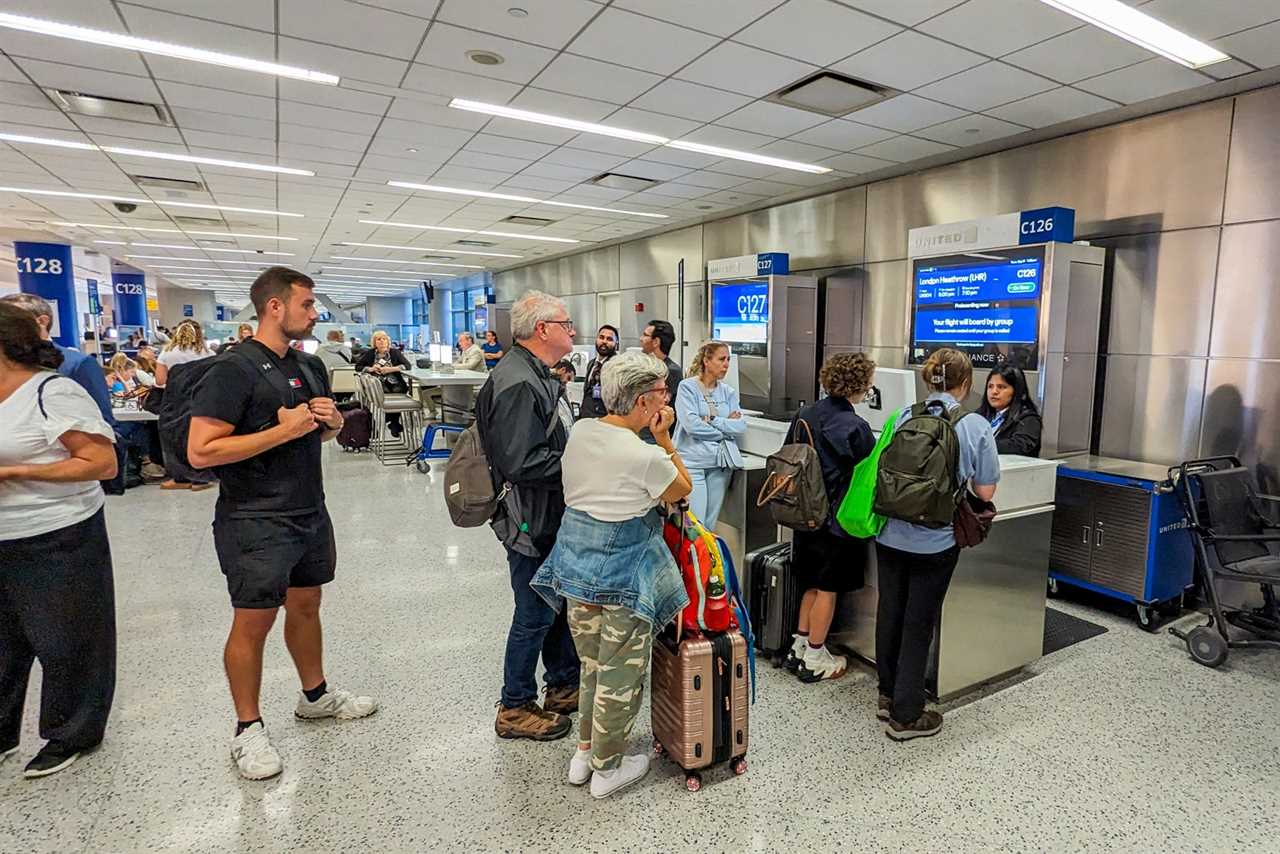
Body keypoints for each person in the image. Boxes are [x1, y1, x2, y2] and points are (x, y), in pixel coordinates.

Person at [187, 266, 375, 780]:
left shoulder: (307, 366)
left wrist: (329, 426)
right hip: (255, 516)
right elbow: (201, 451)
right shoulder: (233, 369)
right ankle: (247, 728)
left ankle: (314, 695)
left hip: (308, 509)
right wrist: (282, 429)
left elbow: (315, 435)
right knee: (253, 620)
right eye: (307, 305)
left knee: (308, 603)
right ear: (275, 307)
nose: (314, 314)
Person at [531, 352, 692, 798]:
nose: (667, 396)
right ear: (644, 401)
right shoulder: (643, 455)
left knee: (593, 663)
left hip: (576, 568)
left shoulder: (583, 430)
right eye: (662, 391)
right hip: (622, 576)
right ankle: (608, 769)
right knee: (621, 672)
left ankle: (585, 752)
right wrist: (665, 441)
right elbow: (681, 490)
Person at [0, 302, 118, 778]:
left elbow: (100, 463)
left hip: (56, 531)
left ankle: (72, 730)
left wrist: (16, 472)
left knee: (68, 637)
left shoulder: (54, 391)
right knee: (5, 641)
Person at [875, 348, 999, 741]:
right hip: (935, 539)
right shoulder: (974, 424)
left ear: (928, 379)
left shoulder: (903, 415)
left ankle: (887, 694)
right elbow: (985, 487)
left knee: (890, 610)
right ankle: (907, 715)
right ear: (966, 383)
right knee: (918, 621)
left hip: (890, 532)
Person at [475, 290, 580, 741]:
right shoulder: (519, 382)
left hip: (548, 515)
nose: (573, 331)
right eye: (567, 323)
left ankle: (562, 685)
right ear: (543, 329)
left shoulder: (534, 373)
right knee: (535, 611)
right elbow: (524, 461)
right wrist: (584, 464)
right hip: (530, 519)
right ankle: (514, 706)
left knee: (556, 605)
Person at [781, 353, 877, 682]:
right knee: (828, 589)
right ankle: (815, 657)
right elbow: (868, 471)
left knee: (811, 582)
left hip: (805, 513)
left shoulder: (805, 413)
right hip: (835, 522)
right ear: (861, 385)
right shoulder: (855, 426)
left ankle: (800, 645)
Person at [673, 341, 745, 529]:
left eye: (728, 360)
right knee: (694, 525)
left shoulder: (728, 392)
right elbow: (692, 426)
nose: (726, 364)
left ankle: (707, 559)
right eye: (722, 359)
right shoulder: (687, 387)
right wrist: (725, 427)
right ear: (706, 360)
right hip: (692, 464)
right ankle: (690, 559)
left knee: (709, 527)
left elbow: (740, 427)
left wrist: (712, 420)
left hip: (719, 465)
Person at [156, 321, 216, 491]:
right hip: (202, 399)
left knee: (174, 439)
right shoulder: (208, 353)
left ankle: (180, 478)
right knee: (199, 437)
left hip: (174, 402)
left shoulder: (167, 352)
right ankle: (201, 478)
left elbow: (160, 380)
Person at [354, 331, 411, 437]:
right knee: (387, 392)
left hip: (395, 382)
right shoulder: (370, 353)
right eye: (379, 339)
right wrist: (371, 368)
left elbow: (407, 366)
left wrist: (391, 369)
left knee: (397, 390)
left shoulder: (395, 353)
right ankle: (393, 422)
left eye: (384, 339)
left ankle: (391, 419)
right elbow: (358, 367)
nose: (382, 341)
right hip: (377, 384)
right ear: (374, 342)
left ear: (388, 341)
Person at [978, 364, 1042, 457]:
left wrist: (981, 444)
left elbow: (1019, 446)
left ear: (1016, 391)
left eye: (1001, 387)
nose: (994, 391)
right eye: (990, 386)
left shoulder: (1028, 419)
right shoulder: (980, 415)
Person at [638, 319, 682, 444]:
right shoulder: (644, 366)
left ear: (656, 342)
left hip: (654, 437)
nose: (641, 339)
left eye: (646, 335)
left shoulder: (671, 371)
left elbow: (658, 406)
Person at [576, 324, 619, 420]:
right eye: (601, 337)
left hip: (604, 421)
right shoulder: (592, 364)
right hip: (586, 418)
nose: (604, 341)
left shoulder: (617, 366)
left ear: (616, 343)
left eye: (609, 339)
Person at [553, 359, 576, 430]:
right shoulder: (550, 387)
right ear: (563, 370)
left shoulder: (560, 389)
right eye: (568, 378)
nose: (566, 382)